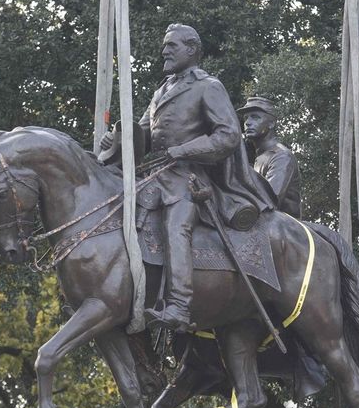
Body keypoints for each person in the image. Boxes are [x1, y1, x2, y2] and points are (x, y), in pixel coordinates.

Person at [98, 24, 271, 332]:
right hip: (155, 176)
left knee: (175, 227)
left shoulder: (209, 86)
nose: (165, 51)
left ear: (191, 49)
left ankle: (179, 305)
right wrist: (115, 140)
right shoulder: (161, 90)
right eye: (165, 46)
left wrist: (183, 150)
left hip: (188, 178)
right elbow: (144, 135)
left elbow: (228, 135)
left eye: (172, 46)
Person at [238, 96, 302, 217]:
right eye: (246, 118)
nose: (247, 122)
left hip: (284, 229)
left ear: (272, 123)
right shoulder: (260, 158)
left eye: (255, 117)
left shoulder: (282, 156)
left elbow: (269, 200)